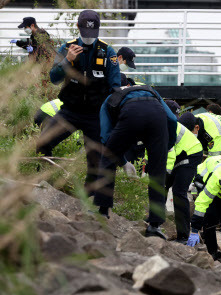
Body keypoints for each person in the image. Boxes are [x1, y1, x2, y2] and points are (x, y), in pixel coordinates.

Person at [37, 10, 120, 195]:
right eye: (85, 33)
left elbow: (115, 88)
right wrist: (67, 60)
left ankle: (86, 202)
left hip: (95, 115)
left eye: (93, 34)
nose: (89, 38)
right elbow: (53, 78)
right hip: (69, 112)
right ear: (78, 28)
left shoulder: (108, 51)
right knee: (43, 142)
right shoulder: (67, 48)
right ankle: (45, 185)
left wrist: (113, 117)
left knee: (95, 162)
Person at [94, 84, 177, 239]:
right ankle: (155, 226)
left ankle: (103, 211)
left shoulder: (109, 99)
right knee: (158, 172)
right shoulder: (153, 92)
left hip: (130, 113)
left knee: (107, 158)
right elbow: (172, 119)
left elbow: (106, 137)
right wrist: (168, 145)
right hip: (156, 116)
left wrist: (122, 161)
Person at [164, 102, 203, 244]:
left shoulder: (166, 124)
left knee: (179, 192)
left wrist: (165, 173)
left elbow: (170, 153)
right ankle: (155, 223)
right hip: (178, 154)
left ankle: (183, 235)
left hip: (191, 154)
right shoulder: (152, 122)